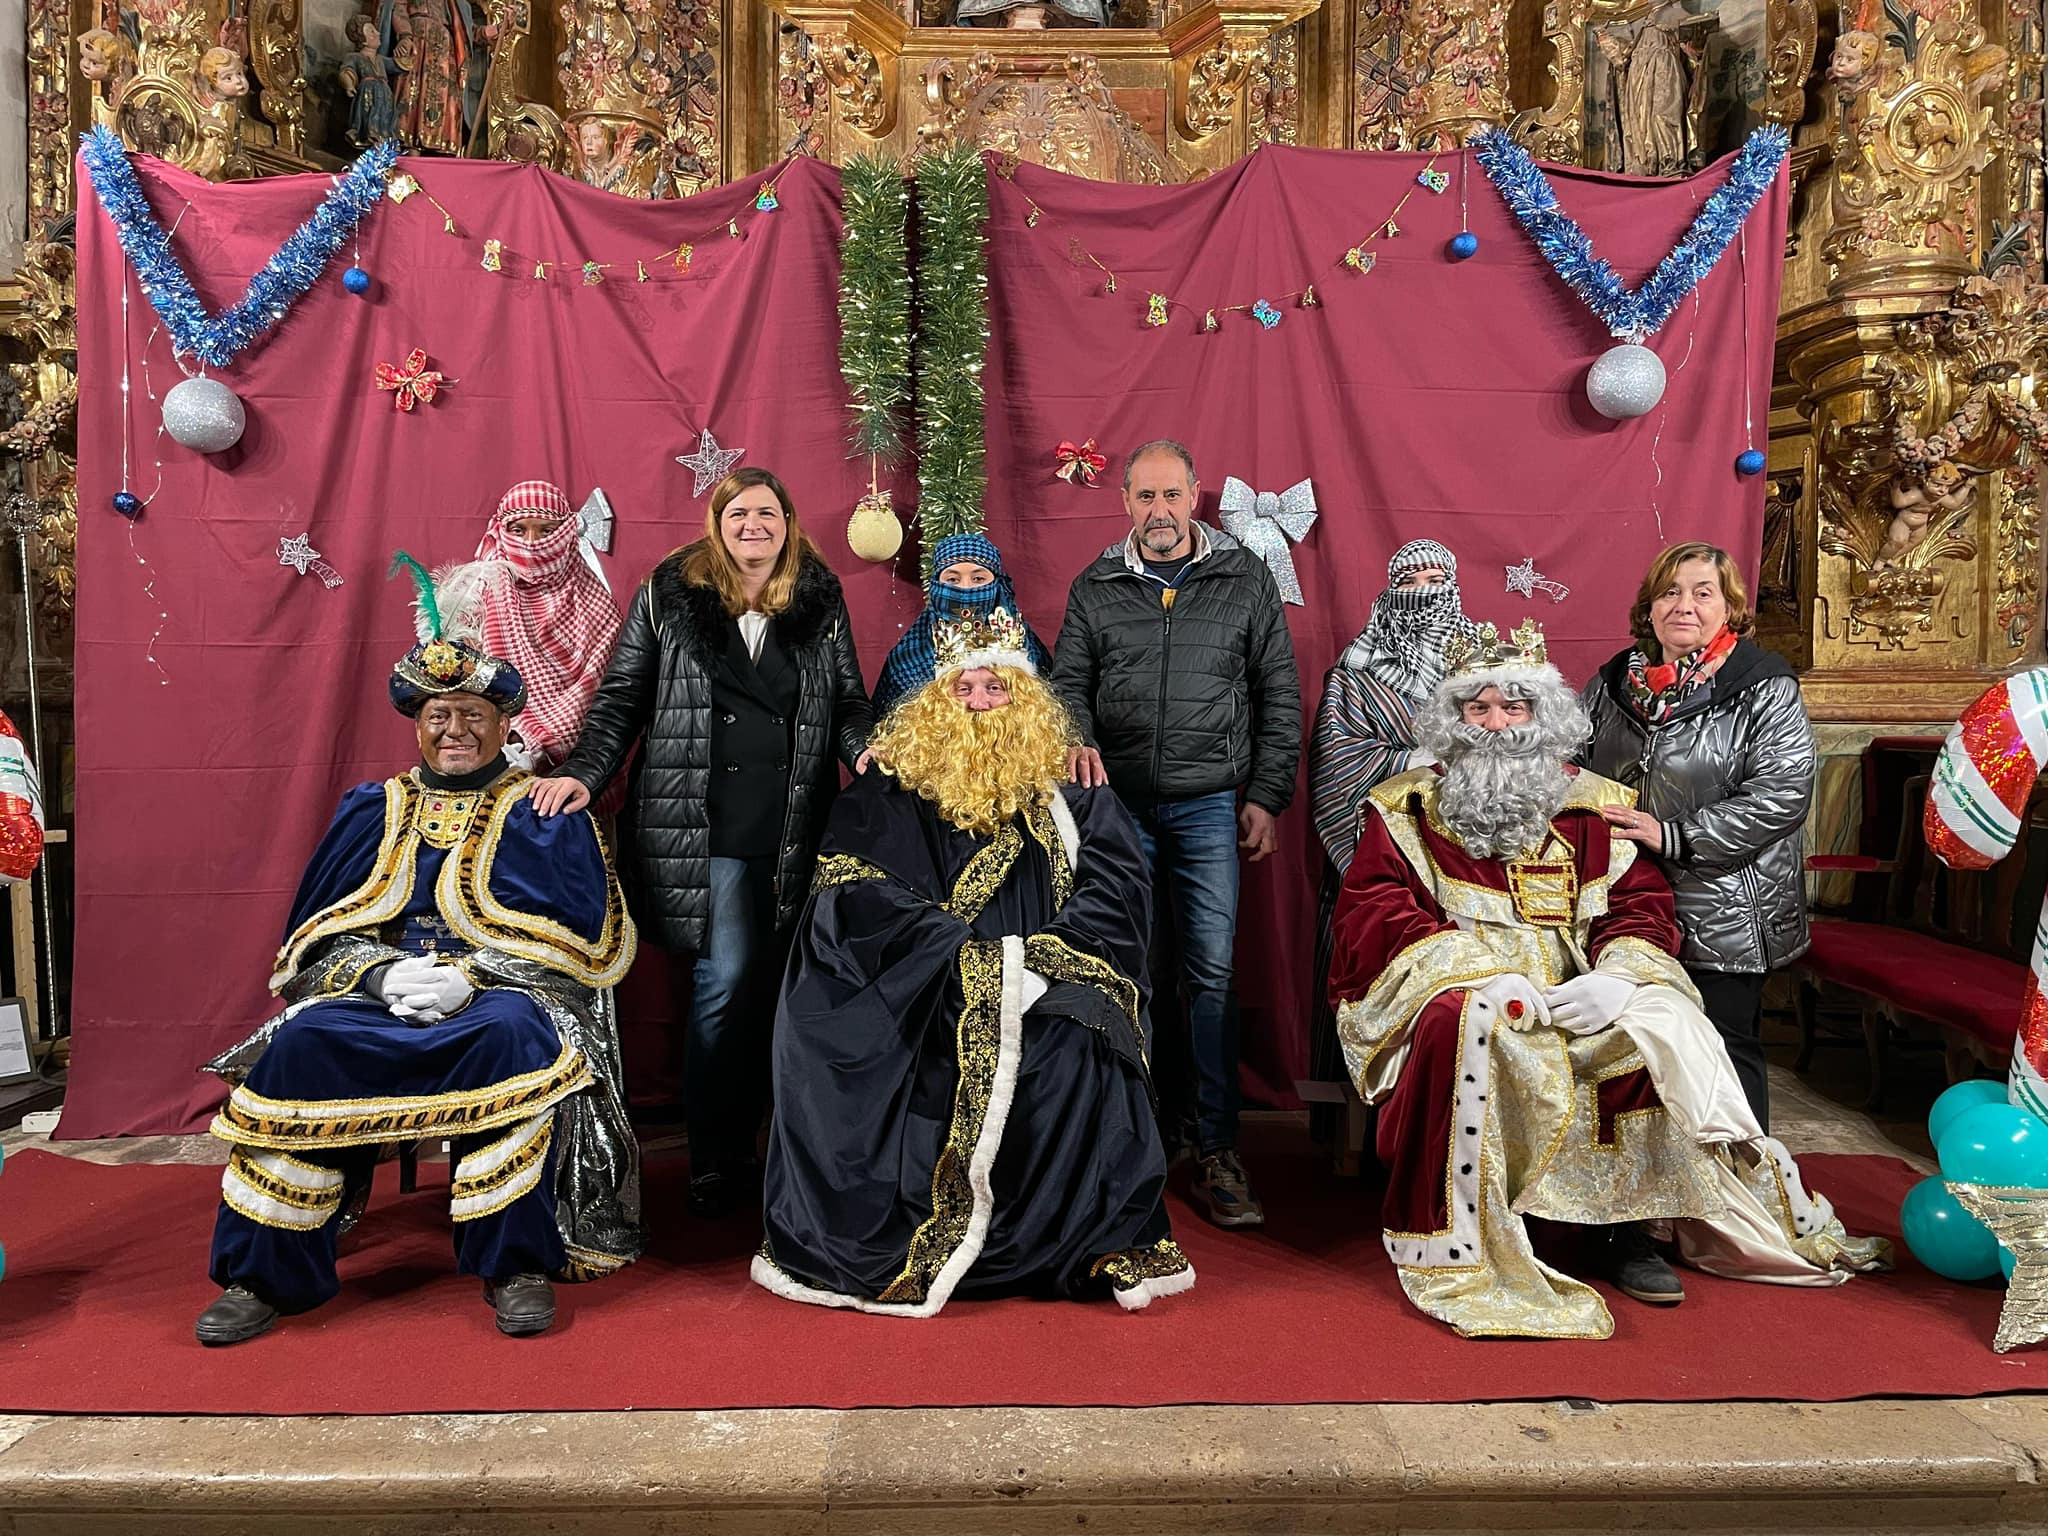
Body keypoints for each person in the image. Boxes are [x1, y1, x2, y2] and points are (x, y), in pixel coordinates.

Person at [1328, 619, 1884, 1340]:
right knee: (1461, 1025)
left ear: (1544, 715)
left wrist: (1621, 978)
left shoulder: (1598, 804)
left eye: (1515, 707)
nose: (1498, 724)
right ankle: (1469, 1234)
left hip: (1582, 987)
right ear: (1454, 718)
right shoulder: (1404, 806)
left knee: (1657, 1026)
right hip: (1469, 988)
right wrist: (1477, 977)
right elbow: (1374, 910)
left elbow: (1641, 907)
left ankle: (1627, 1234)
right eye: (1479, 707)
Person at [193, 563, 640, 1347]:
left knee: (516, 1040)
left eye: (472, 713)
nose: (454, 730)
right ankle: (262, 1273)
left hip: (500, 998)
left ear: (505, 724)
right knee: (300, 1043)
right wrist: (381, 972)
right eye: (439, 715)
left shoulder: (545, 810)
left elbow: (582, 951)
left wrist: (469, 977)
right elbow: (313, 939)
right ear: (416, 722)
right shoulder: (375, 807)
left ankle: (516, 1263)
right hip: (377, 995)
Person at [754, 607, 1192, 1314]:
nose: (982, 704)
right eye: (966, 690)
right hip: (921, 991)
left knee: (1079, 1036)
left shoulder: (1072, 791)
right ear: (936, 701)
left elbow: (1117, 888)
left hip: (1055, 975)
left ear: (1027, 703)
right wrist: (977, 969)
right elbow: (853, 896)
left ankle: (1088, 1241)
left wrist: (1040, 965)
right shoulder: (890, 787)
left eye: (998, 690)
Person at [531, 468, 871, 1217]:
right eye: (740, 512)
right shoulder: (670, 592)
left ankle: (782, 1147)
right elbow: (622, 695)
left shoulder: (817, 595)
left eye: (768, 513)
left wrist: (869, 750)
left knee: (783, 989)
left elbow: (848, 701)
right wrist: (586, 773)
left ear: (788, 521)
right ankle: (715, 1155)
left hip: (793, 825)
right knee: (725, 983)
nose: (755, 525)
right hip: (701, 823)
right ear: (717, 522)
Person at [1051, 438, 1300, 1229]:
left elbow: (1279, 692)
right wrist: (1077, 740)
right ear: (1123, 503)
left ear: (1196, 497)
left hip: (1208, 806)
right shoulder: (1095, 586)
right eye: (1144, 498)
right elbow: (1067, 688)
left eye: (1171, 496)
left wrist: (1265, 794)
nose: (1159, 512)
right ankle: (1139, 1138)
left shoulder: (1244, 577)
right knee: (1129, 970)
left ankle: (1218, 1146)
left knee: (1212, 975)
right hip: (1118, 807)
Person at [1579, 542, 1816, 1132]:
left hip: (1728, 904)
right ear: (1650, 608)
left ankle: (1745, 1196)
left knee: (1723, 1052)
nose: (1685, 605)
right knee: (1634, 1056)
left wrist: (1675, 835)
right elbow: (1571, 765)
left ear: (1729, 607)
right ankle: (1654, 1213)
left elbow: (1782, 795)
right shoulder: (1612, 685)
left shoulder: (1763, 685)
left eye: (1702, 593)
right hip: (1629, 903)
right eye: (1670, 592)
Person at [1304, 540, 1478, 1112]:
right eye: (1412, 579)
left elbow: (1513, 732)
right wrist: (1416, 762)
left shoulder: (1479, 657)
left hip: (1464, 850)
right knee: (1364, 948)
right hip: (1376, 843)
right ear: (1390, 587)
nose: (1425, 591)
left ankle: (1456, 1112)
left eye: (1437, 578)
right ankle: (1355, 1111)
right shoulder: (1358, 667)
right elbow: (1335, 754)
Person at [435, 479, 623, 775]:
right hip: (490, 758)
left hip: (581, 770)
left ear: (567, 531)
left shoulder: (599, 605)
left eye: (547, 530)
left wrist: (538, 740)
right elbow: (457, 681)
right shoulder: (477, 596)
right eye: (518, 530)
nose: (532, 543)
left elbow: (599, 693)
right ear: (500, 531)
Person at [872, 531, 1051, 718]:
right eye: (952, 580)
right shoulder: (906, 658)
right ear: (935, 586)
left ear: (997, 585)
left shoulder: (1030, 652)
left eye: (978, 579)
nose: (965, 588)